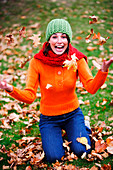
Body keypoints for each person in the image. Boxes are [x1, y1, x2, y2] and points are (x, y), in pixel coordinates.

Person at [0, 19, 113, 163]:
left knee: (82, 150)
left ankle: (83, 125)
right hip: (49, 118)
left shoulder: (76, 59)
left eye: (64, 36)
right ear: (49, 40)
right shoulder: (37, 62)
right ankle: (55, 134)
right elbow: (29, 97)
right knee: (54, 157)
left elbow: (91, 88)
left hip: (72, 114)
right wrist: (10, 89)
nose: (59, 41)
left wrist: (103, 71)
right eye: (55, 36)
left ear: (68, 39)